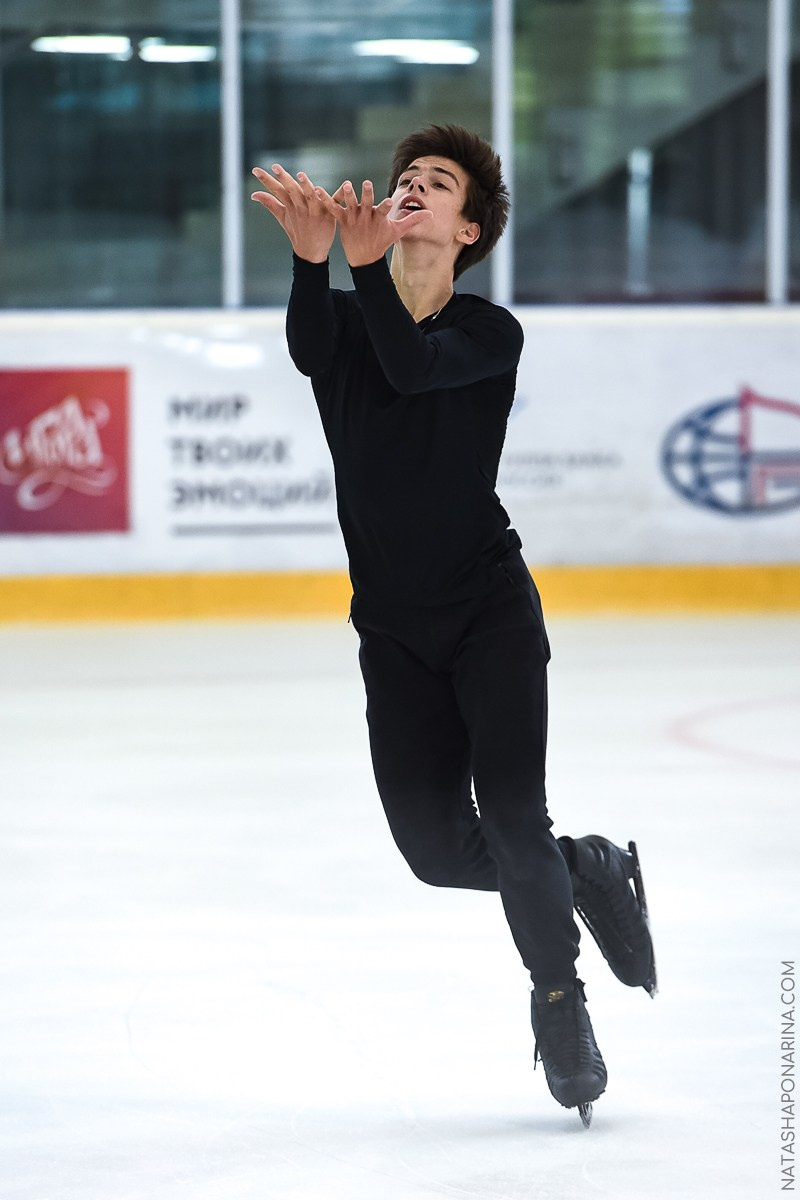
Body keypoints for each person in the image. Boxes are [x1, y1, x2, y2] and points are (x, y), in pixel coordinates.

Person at [251, 125, 656, 1126]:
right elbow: (319, 348)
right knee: (435, 853)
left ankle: (558, 1001)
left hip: (488, 616)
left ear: (467, 227)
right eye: (403, 180)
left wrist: (356, 270)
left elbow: (410, 366)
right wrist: (313, 265)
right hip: (391, 632)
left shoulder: (486, 331)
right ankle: (585, 867)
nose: (412, 189)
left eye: (435, 184)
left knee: (511, 813)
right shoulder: (351, 317)